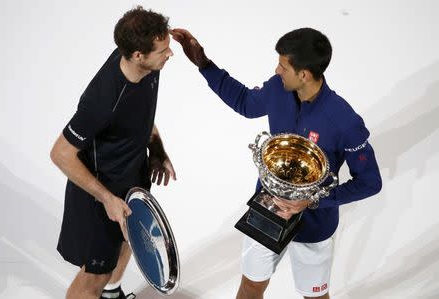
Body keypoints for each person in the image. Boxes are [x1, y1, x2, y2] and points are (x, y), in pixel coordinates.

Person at [172, 27, 382, 299]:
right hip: (267, 210)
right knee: (250, 288)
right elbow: (245, 103)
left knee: (315, 296)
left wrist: (313, 201)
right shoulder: (278, 89)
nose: (276, 70)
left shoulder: (344, 121)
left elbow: (370, 182)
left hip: (314, 224)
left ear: (303, 74)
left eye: (283, 66)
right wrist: (205, 65)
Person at [50, 6, 176, 299]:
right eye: (163, 51)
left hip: (132, 176)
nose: (170, 55)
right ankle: (103, 288)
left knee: (130, 240)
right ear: (137, 55)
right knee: (95, 275)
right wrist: (107, 199)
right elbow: (60, 153)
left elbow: (141, 115)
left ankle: (112, 294)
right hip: (101, 193)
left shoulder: (148, 68)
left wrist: (156, 149)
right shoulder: (102, 101)